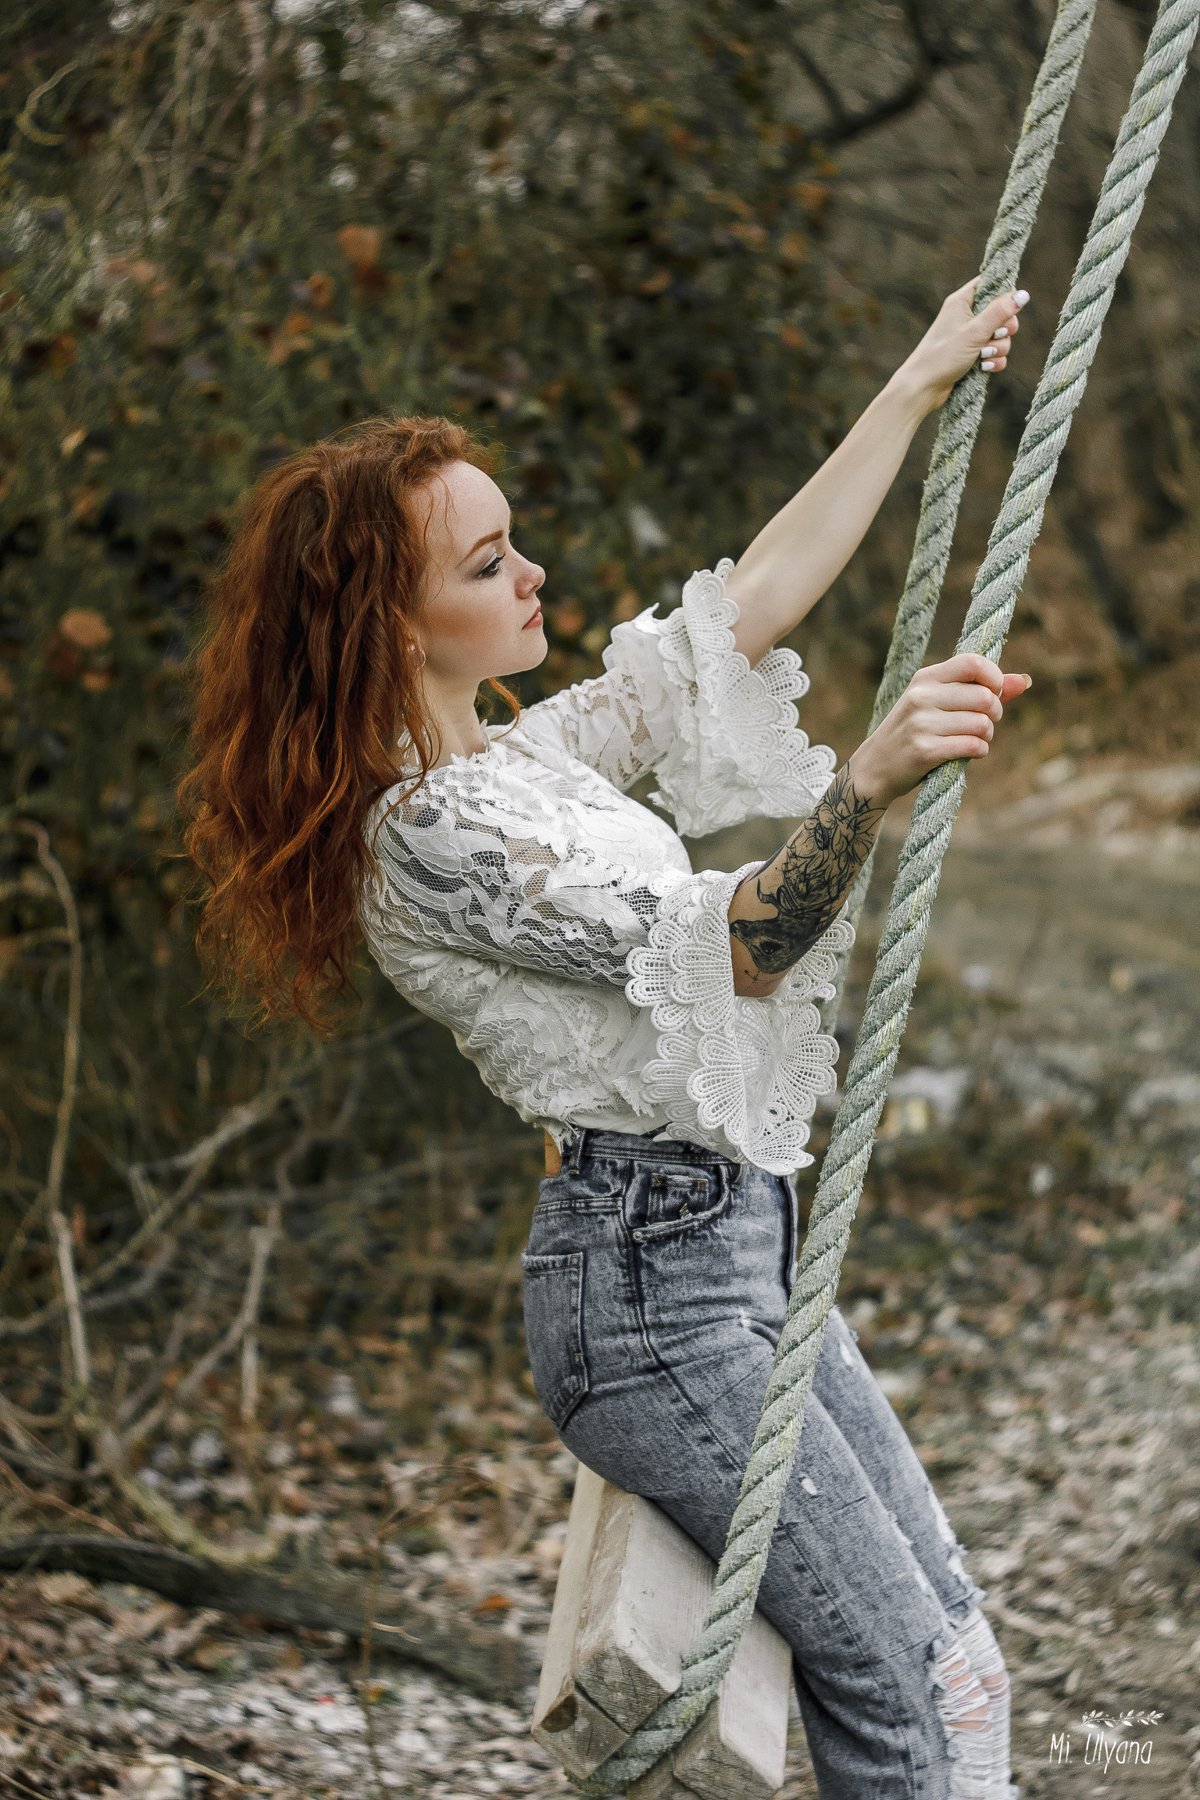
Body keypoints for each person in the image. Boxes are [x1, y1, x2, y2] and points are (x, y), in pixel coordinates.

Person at [178, 276, 1030, 1798]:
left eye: (514, 542)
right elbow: (743, 949)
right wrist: (869, 778)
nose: (534, 572)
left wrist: (915, 381)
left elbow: (745, 606)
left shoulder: (535, 759)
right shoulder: (430, 843)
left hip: (739, 1252)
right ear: (387, 622)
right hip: (650, 1297)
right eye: (488, 561)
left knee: (961, 1668)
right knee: (907, 1687)